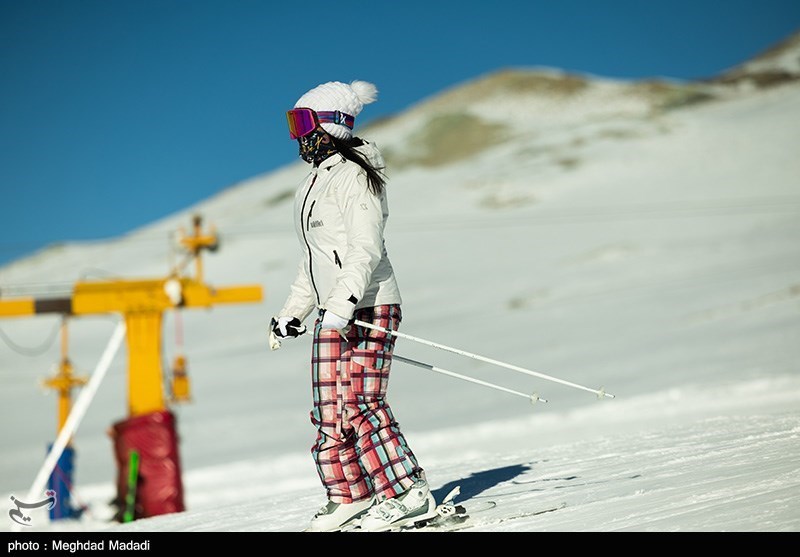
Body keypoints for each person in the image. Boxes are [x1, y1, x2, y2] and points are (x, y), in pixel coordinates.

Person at [268, 80, 437, 532]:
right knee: (330, 409)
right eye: (292, 124)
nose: (297, 136)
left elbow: (365, 250)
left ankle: (408, 493)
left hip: (369, 305)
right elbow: (315, 260)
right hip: (333, 311)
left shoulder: (355, 176)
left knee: (361, 400)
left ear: (331, 126)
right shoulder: (315, 182)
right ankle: (350, 496)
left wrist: (344, 305)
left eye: (302, 123)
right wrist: (292, 312)